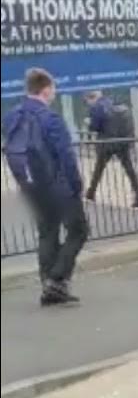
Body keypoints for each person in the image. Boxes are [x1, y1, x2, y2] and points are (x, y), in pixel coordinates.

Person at [2, 68, 88, 305]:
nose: (54, 94)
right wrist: (76, 184)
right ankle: (56, 279)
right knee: (79, 230)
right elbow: (66, 156)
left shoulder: (12, 116)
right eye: (53, 89)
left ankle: (48, 286)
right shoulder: (51, 118)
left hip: (30, 184)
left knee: (47, 231)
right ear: (46, 89)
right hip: (58, 185)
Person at [83, 91, 138, 208]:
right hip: (122, 143)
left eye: (88, 102)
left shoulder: (97, 107)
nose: (89, 104)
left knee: (98, 170)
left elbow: (94, 127)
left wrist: (88, 122)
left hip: (107, 144)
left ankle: (91, 194)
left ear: (92, 98)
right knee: (129, 170)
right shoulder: (115, 104)